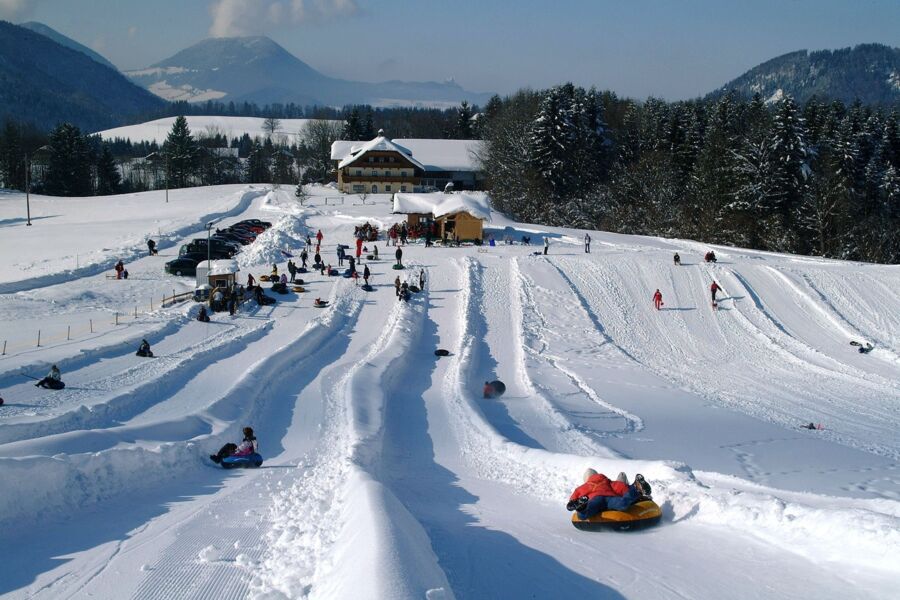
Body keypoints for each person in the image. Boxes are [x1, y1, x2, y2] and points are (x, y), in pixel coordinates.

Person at [566, 469, 648, 520]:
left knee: (584, 515)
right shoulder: (607, 482)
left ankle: (581, 507)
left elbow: (575, 494)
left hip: (595, 500)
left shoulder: (585, 486)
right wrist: (631, 491)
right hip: (610, 498)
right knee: (623, 504)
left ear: (586, 479)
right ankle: (636, 488)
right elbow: (621, 487)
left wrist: (572, 502)